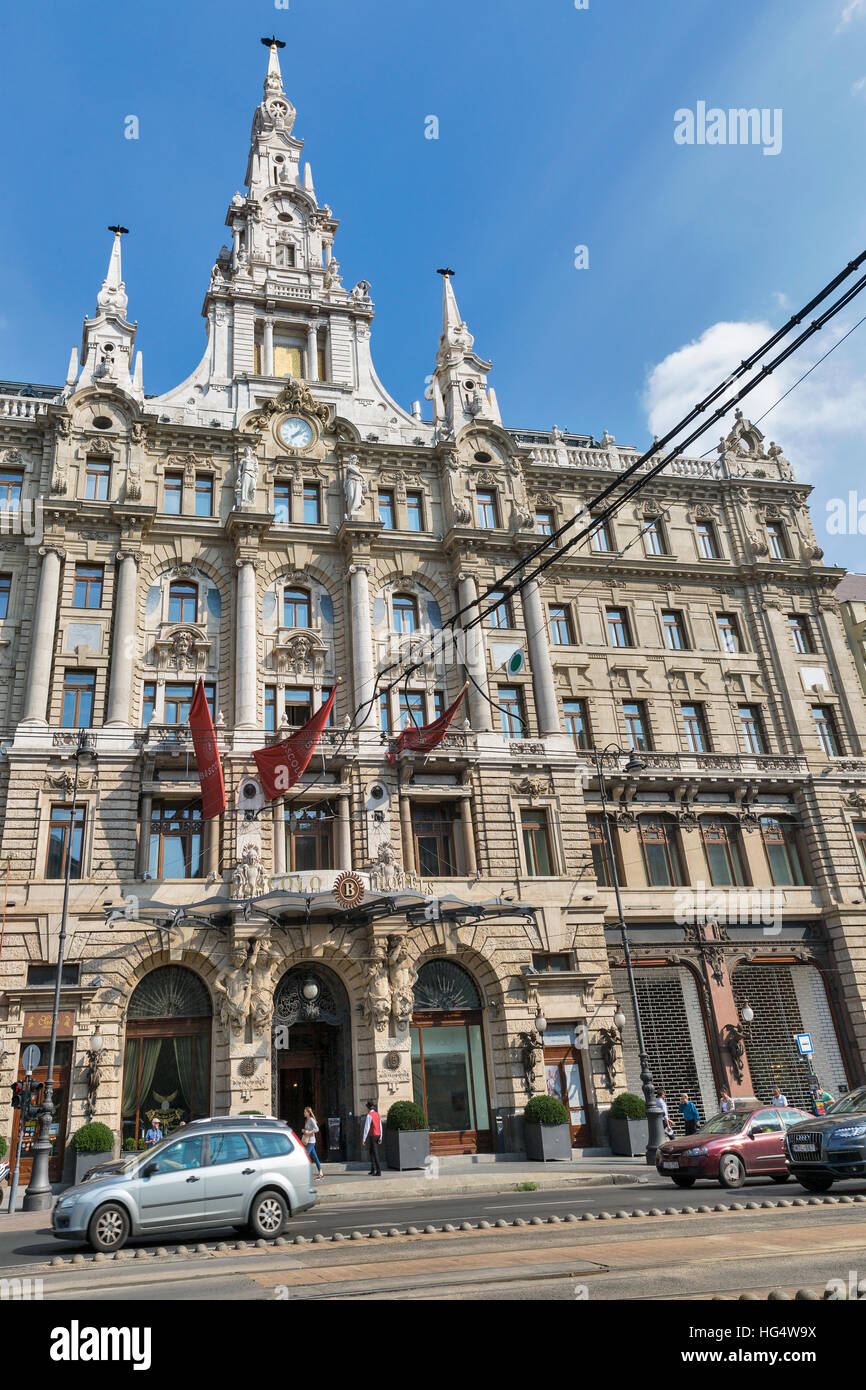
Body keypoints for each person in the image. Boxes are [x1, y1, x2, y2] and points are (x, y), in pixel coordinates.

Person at [302, 1107, 323, 1179]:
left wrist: (309, 1132)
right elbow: (307, 1129)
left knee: (306, 1155)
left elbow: (317, 1129)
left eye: (305, 1112)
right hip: (308, 1141)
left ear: (308, 1113)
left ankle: (305, 1173)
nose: (304, 1113)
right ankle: (320, 1171)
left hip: (311, 1141)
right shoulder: (306, 1120)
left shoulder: (311, 1119)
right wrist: (304, 1130)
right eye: (304, 1112)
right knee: (315, 1157)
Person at [362, 1100, 382, 1175]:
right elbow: (380, 1126)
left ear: (368, 1108)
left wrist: (364, 1139)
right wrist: (381, 1137)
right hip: (378, 1135)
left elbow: (366, 1128)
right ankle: (373, 1169)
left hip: (373, 1135)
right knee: (371, 1152)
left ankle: (378, 1171)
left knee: (375, 1153)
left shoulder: (369, 1115)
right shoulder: (377, 1114)